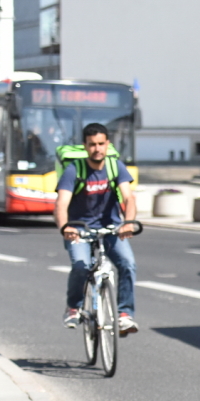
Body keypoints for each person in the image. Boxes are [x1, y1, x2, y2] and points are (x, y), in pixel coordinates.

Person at [55, 123, 139, 333]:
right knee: (81, 266)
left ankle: (124, 315)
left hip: (110, 228)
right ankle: (73, 307)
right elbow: (61, 203)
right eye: (92, 144)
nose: (97, 149)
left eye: (101, 144)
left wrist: (128, 222)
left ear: (107, 144)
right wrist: (66, 227)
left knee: (127, 263)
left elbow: (129, 198)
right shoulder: (74, 170)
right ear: (85, 146)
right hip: (78, 229)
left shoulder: (115, 166)